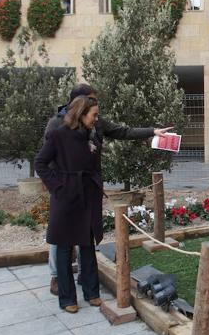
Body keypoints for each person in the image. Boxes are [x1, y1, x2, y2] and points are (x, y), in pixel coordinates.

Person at [45, 83, 174, 295]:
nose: (96, 107)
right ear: (79, 102)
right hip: (65, 189)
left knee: (85, 234)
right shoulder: (56, 125)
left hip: (87, 188)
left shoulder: (96, 122)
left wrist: (152, 131)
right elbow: (46, 159)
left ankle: (86, 280)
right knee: (60, 235)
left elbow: (123, 131)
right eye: (92, 100)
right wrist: (57, 186)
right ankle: (57, 277)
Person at [35, 97, 104, 313]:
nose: (96, 118)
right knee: (64, 248)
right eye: (94, 114)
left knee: (87, 245)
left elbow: (94, 166)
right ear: (82, 114)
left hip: (87, 195)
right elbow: (40, 163)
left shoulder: (90, 135)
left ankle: (92, 293)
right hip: (65, 197)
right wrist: (58, 187)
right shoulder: (57, 134)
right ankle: (67, 299)